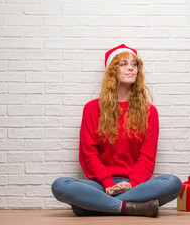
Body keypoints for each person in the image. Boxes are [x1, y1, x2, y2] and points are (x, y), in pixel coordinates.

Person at [51, 44, 182, 217]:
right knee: (61, 185)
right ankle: (129, 208)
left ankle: (94, 205)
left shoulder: (150, 112)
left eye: (134, 64)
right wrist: (107, 182)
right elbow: (88, 155)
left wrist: (131, 183)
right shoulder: (91, 109)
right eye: (124, 64)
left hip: (136, 185)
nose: (131, 68)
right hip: (100, 185)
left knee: (173, 182)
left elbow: (147, 158)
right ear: (112, 71)